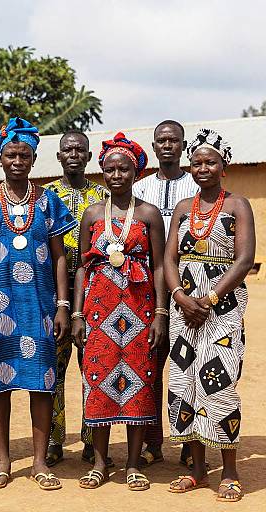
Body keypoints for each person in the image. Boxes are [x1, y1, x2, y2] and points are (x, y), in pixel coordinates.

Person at [0, 117, 76, 490]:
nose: (17, 161)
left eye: (24, 155)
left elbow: (60, 256)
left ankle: (40, 463)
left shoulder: (49, 203)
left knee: (42, 384)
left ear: (33, 158)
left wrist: (62, 305)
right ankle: (3, 461)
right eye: (10, 154)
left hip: (40, 307)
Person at [72, 132, 167, 491]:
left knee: (139, 384)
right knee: (97, 382)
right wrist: (79, 314)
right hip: (98, 312)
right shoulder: (93, 214)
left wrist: (160, 314)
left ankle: (131, 464)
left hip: (140, 311)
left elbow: (159, 266)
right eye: (110, 169)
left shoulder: (149, 214)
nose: (116, 175)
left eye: (123, 169)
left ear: (135, 172)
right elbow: (82, 266)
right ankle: (99, 462)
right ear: (103, 172)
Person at [165, 129, 254, 502]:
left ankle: (230, 471)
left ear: (224, 166)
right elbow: (169, 258)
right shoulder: (184, 207)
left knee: (219, 384)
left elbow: (245, 259)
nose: (203, 168)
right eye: (197, 162)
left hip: (224, 307)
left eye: (210, 162)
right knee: (185, 383)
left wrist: (211, 298)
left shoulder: (238, 205)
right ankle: (198, 470)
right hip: (184, 309)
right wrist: (181, 297)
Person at [133, 120, 200, 468]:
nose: (168, 145)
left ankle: (189, 442)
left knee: (187, 366)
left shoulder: (196, 184)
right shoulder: (140, 189)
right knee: (151, 367)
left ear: (183, 145)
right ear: (154, 145)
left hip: (193, 287)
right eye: (162, 140)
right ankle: (153, 441)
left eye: (174, 140)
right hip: (149, 288)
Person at [44, 130, 109, 467]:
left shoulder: (102, 196)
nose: (73, 154)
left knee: (92, 368)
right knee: (53, 370)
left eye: (79, 150)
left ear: (88, 156)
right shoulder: (47, 195)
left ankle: (90, 439)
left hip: (93, 294)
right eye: (67, 149)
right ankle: (54, 441)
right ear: (58, 156)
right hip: (53, 293)